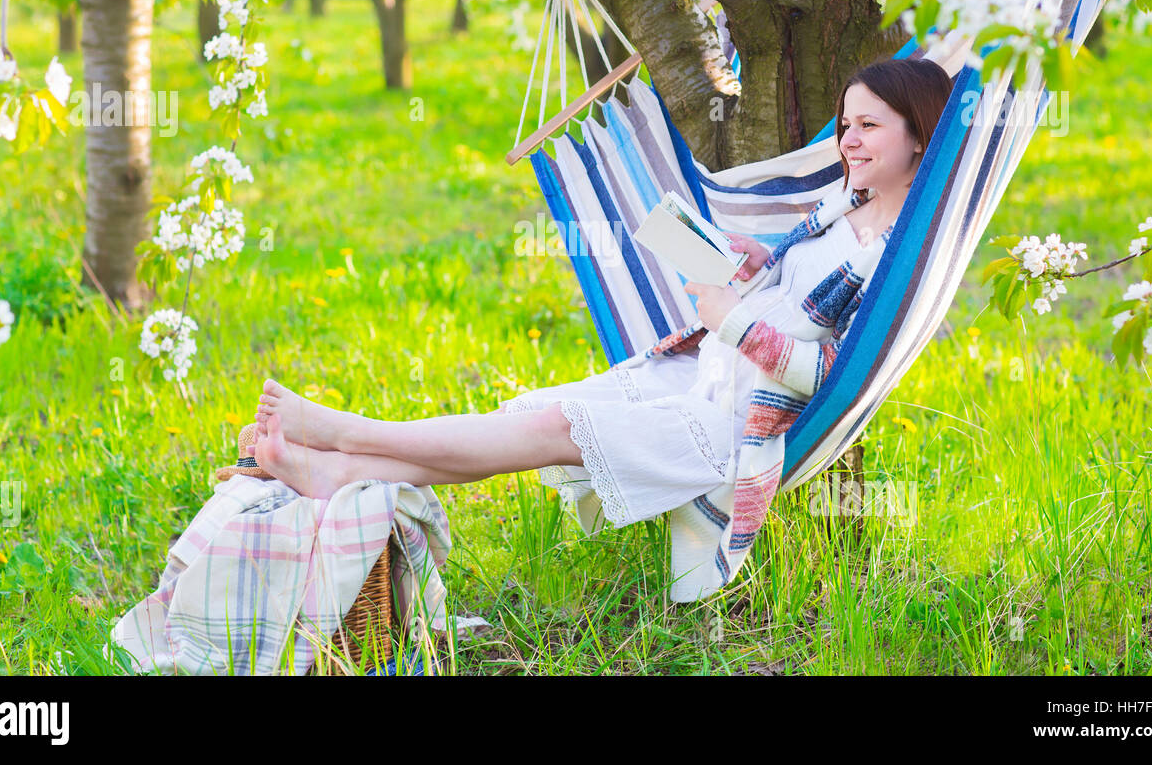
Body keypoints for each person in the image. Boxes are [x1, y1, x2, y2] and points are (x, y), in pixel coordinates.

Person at [250, 57, 954, 530]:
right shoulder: (843, 207)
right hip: (701, 377)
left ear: (920, 135)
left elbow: (832, 375)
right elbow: (797, 290)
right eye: (845, 124)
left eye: (869, 126)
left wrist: (733, 321)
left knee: (554, 429)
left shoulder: (900, 256)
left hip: (743, 429)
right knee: (534, 417)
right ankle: (334, 469)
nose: (848, 141)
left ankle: (344, 435)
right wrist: (756, 261)